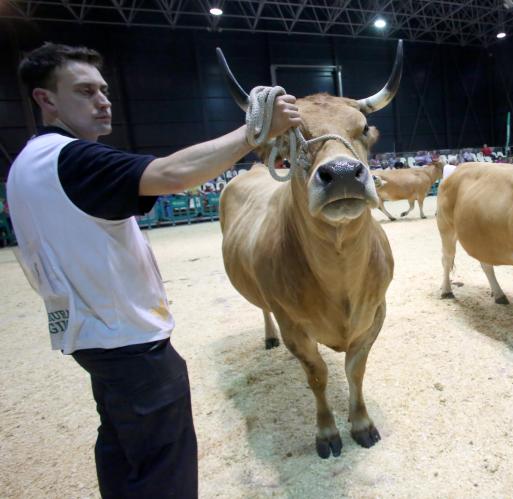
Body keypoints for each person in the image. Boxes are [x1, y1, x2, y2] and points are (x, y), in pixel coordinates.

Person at [7, 42, 301, 497]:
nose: (103, 100)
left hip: (90, 336)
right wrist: (255, 132)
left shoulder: (27, 164)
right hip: (129, 342)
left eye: (103, 89)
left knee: (123, 451)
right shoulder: (72, 159)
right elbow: (170, 175)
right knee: (166, 469)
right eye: (85, 91)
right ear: (46, 100)